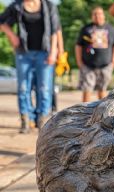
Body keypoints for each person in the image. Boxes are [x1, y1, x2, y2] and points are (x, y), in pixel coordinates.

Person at [0, 0, 60, 133]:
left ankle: (43, 120)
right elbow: (2, 22)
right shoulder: (16, 6)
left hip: (44, 53)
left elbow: (55, 30)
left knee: (44, 87)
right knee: (23, 88)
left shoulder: (49, 6)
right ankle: (25, 120)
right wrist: (12, 36)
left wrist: (54, 51)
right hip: (23, 53)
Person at [75, 6, 114, 103]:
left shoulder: (110, 29)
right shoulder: (86, 29)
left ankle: (101, 116)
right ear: (92, 16)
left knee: (102, 92)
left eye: (99, 13)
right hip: (88, 66)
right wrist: (79, 62)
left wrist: (113, 62)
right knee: (87, 91)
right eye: (95, 14)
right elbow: (78, 46)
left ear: (103, 15)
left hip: (105, 66)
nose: (97, 16)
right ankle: (85, 115)